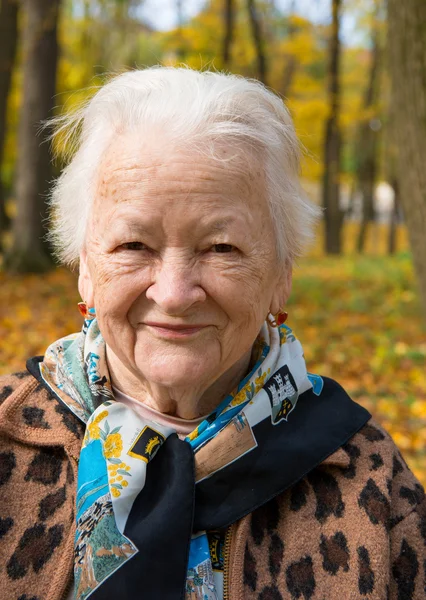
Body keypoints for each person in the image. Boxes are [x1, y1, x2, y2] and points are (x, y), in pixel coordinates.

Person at [0, 66, 424, 600]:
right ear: (85, 265)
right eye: (134, 246)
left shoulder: (370, 480)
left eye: (221, 248)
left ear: (281, 275)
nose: (175, 293)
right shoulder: (6, 440)